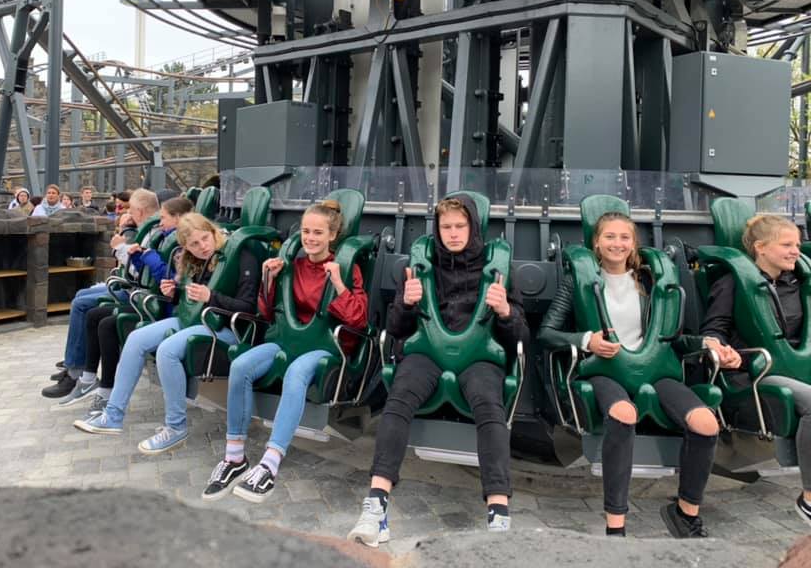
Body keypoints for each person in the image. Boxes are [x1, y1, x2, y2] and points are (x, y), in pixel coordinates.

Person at [537, 211, 733, 539]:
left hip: (654, 370)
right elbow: (546, 333)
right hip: (606, 371)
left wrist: (705, 343)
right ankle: (616, 524)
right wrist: (586, 341)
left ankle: (685, 513)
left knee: (706, 423)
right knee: (623, 413)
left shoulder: (649, 282)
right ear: (596, 243)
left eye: (624, 237)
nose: (617, 243)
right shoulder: (578, 281)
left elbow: (673, 338)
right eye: (610, 237)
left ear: (633, 243)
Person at [347, 196, 528, 545]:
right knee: (398, 398)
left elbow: (521, 338)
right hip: (428, 352)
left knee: (490, 407)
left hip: (478, 356)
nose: (453, 233)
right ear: (437, 229)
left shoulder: (500, 269)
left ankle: (499, 513)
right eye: (446, 227)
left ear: (474, 227)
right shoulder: (419, 266)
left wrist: (506, 311)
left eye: (460, 226)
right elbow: (396, 328)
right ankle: (376, 506)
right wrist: (406, 303)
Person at [202, 200, 368, 503]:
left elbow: (358, 320)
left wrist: (339, 284)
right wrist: (269, 279)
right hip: (286, 340)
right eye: (306, 231)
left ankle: (271, 462)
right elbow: (267, 313)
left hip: (323, 347)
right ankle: (235, 457)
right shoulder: (293, 266)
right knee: (241, 366)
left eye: (318, 232)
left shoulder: (346, 268)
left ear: (332, 235)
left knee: (296, 372)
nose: (310, 238)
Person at [73, 212, 260, 452]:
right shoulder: (193, 261)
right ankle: (113, 415)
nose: (203, 246)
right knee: (136, 338)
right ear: (186, 247)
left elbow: (248, 307)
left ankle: (175, 427)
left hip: (226, 329)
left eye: (205, 238)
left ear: (213, 232)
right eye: (194, 244)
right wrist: (173, 292)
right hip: (194, 320)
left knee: (167, 350)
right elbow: (190, 299)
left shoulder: (241, 256)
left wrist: (210, 296)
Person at [701, 214, 811, 526]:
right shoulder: (732, 284)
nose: (795, 251)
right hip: (758, 373)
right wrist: (721, 351)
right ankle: (809, 500)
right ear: (761, 248)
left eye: (797, 244)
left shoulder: (798, 284)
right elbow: (713, 330)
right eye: (786, 245)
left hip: (801, 367)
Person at [54, 196, 193, 409]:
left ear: (178, 218)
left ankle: (104, 391)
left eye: (164, 218)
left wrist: (142, 255)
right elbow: (150, 272)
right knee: (94, 315)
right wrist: (138, 255)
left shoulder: (176, 243)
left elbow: (165, 276)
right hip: (147, 296)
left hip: (155, 303)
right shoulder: (163, 237)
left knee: (106, 323)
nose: (160, 221)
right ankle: (88, 379)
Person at [40, 189, 168, 399]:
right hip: (131, 286)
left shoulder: (152, 232)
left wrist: (119, 249)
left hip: (135, 291)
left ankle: (75, 371)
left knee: (82, 305)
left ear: (139, 210)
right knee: (81, 295)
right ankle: (74, 363)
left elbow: (139, 272)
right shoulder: (145, 229)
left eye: (130, 210)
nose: (127, 213)